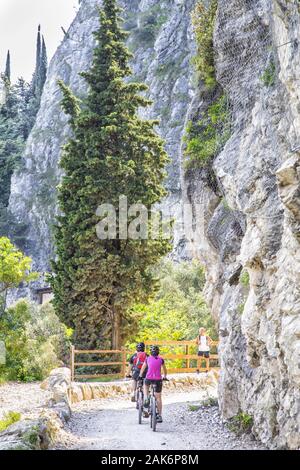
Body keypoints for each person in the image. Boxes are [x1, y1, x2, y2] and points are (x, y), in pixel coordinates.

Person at [139, 345, 167, 423]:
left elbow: (143, 368)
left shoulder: (147, 359)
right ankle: (159, 415)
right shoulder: (161, 359)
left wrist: (140, 376)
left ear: (151, 353)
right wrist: (164, 376)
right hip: (158, 380)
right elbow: (165, 369)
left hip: (149, 378)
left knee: (145, 385)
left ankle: (146, 398)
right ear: (158, 352)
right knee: (158, 397)